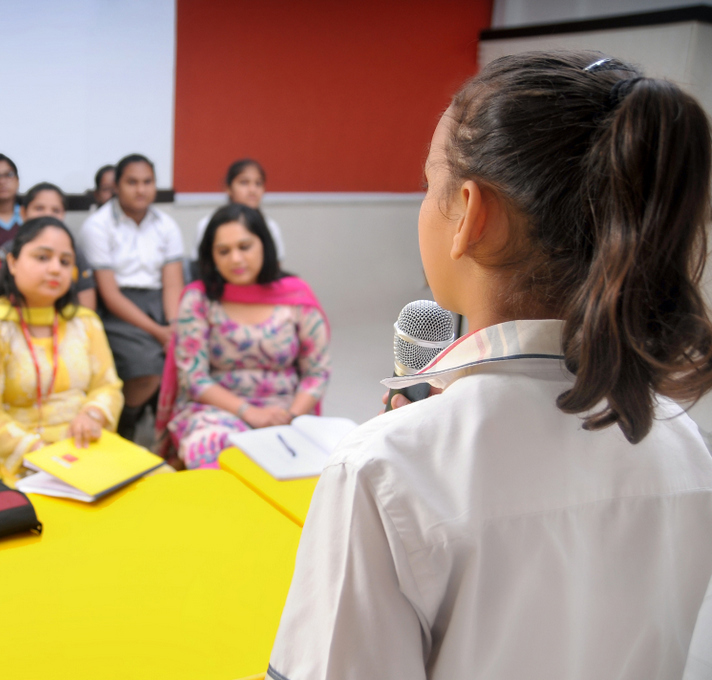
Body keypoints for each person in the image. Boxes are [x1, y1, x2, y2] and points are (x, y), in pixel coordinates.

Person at [267, 52, 712, 679]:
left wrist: (412, 440)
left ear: (471, 213)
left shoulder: (384, 471)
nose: (425, 203)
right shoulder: (683, 443)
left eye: (429, 183)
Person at [0, 217, 124, 486]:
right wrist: (39, 453)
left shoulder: (85, 322)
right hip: (21, 461)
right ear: (12, 263)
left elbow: (108, 386)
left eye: (65, 262)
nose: (55, 268)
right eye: (42, 257)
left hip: (87, 449)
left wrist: (93, 414)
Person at [155, 203, 330, 469]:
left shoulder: (296, 297)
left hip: (286, 412)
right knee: (219, 456)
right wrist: (250, 413)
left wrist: (290, 415)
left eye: (244, 247)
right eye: (223, 251)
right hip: (216, 412)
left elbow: (316, 373)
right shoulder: (199, 299)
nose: (235, 259)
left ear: (264, 244)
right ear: (210, 256)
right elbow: (193, 377)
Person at [79, 153, 185, 441]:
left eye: (147, 182)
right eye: (132, 182)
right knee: (147, 369)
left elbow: (173, 283)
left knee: (186, 356)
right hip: (119, 308)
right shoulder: (97, 226)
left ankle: (162, 428)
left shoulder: (166, 225)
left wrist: (174, 325)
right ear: (117, 186)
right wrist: (158, 332)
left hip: (162, 303)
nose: (141, 189)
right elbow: (110, 293)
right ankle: (126, 419)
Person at [0, 182, 97, 310]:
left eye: (56, 210)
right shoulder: (7, 250)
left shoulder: (74, 252)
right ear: (23, 213)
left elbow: (87, 304)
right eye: (39, 208)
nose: (47, 215)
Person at [193, 159, 285, 263]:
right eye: (244, 182)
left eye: (258, 183)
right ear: (228, 188)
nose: (252, 190)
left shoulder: (270, 226)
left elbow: (275, 269)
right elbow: (200, 268)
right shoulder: (207, 224)